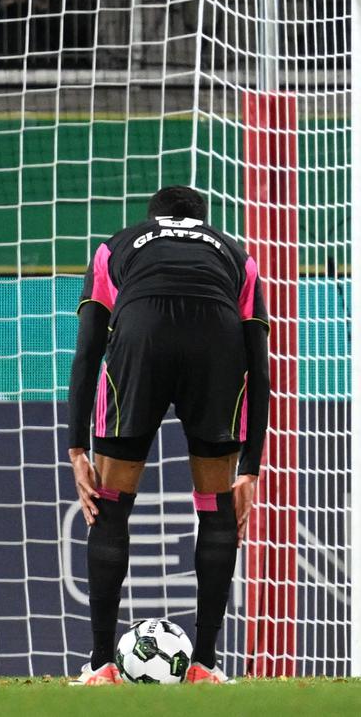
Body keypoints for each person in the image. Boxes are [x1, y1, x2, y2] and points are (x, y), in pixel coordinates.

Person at [65, 186, 271, 686]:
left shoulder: (117, 246)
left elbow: (89, 349)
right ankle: (204, 664)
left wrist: (76, 447)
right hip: (215, 342)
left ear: (154, 218)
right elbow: (260, 368)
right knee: (215, 506)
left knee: (110, 505)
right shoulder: (235, 254)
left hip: (142, 333)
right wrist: (250, 468)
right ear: (202, 220)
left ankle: (100, 666)